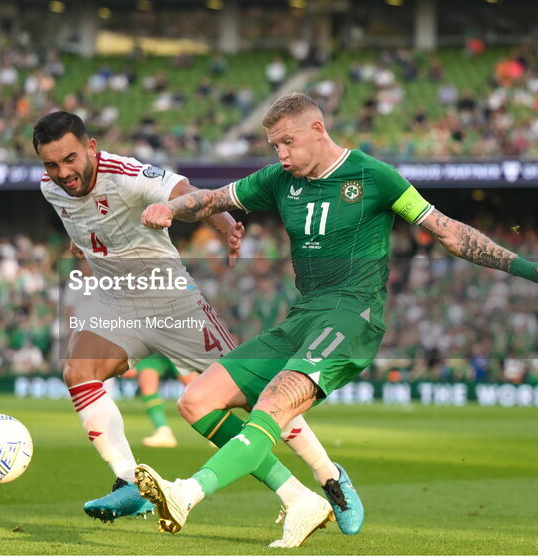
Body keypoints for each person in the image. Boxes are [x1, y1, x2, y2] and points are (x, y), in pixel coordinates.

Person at [134, 92, 538, 547]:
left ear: (317, 130)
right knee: (197, 401)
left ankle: (187, 492)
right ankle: (303, 496)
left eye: (287, 142)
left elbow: (448, 232)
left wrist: (526, 267)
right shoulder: (279, 179)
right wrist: (172, 209)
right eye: (274, 146)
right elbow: (211, 199)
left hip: (352, 316)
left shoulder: (373, 176)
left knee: (274, 403)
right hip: (302, 316)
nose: (281, 155)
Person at [34, 111, 354, 539]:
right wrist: (83, 245)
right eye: (51, 165)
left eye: (70, 159)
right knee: (78, 371)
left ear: (91, 148)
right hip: (116, 303)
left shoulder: (126, 174)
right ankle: (131, 482)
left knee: (258, 396)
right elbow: (87, 221)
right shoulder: (51, 188)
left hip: (173, 302)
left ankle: (329, 477)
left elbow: (184, 191)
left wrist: (224, 225)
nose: (62, 172)